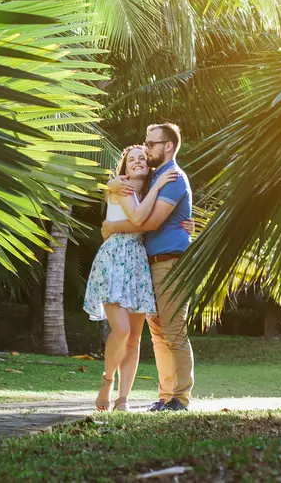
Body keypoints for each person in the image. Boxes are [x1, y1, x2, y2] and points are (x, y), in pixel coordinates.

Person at [102, 122, 194, 412]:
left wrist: (112, 226)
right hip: (149, 264)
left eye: (152, 143)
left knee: (174, 330)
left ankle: (180, 397)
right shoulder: (155, 177)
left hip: (170, 262)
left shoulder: (174, 177)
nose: (147, 147)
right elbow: (124, 183)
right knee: (158, 333)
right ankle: (165, 395)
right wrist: (112, 185)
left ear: (168, 146)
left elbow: (150, 222)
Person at [83, 145, 180, 411]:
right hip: (115, 257)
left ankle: (123, 398)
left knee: (135, 337)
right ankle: (107, 381)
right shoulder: (119, 187)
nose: (137, 162)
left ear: (148, 166)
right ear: (124, 168)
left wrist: (187, 224)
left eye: (142, 159)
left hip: (137, 261)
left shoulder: (148, 193)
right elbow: (138, 218)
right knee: (122, 330)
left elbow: (156, 221)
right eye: (131, 160)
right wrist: (158, 183)